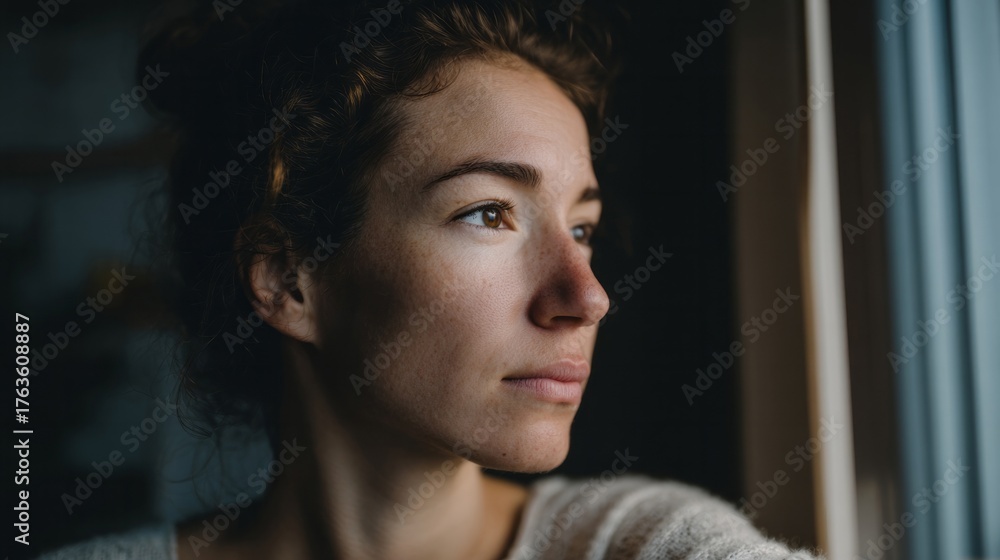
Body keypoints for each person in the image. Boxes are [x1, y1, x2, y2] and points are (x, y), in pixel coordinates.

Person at [39, 1, 824, 558]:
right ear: (288, 279)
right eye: (489, 213)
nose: (587, 296)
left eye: (580, 227)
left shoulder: (647, 546)